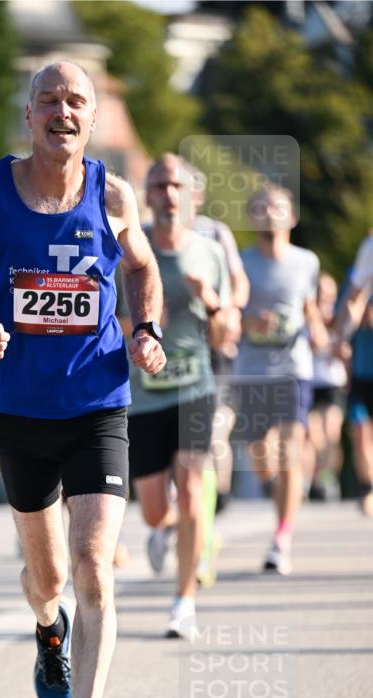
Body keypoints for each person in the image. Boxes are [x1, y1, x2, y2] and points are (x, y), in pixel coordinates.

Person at [0, 62, 165, 698]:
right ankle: (47, 630)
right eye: (48, 100)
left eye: (75, 102)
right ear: (27, 116)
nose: (61, 111)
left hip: (98, 402)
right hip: (19, 409)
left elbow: (142, 268)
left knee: (94, 563)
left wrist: (146, 328)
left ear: (91, 118)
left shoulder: (114, 193)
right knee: (49, 579)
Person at [127, 154, 231, 638]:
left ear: (192, 196)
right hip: (144, 397)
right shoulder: (130, 251)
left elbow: (226, 334)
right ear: (146, 197)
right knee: (152, 509)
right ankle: (168, 529)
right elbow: (113, 324)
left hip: (195, 390)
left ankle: (184, 601)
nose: (168, 194)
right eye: (159, 185)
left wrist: (210, 301)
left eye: (176, 185)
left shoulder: (209, 252)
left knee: (192, 491)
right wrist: (145, 328)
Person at [232, 185, 328, 575]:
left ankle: (281, 538)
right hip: (250, 370)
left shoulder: (307, 261)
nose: (269, 213)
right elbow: (226, 312)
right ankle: (274, 486)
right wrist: (247, 321)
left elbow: (309, 308)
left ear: (292, 217)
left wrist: (321, 332)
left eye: (278, 208)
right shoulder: (240, 262)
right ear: (252, 216)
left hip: (294, 368)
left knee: (290, 451)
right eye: (261, 208)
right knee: (260, 454)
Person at [188, 166, 249, 585]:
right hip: (171, 355)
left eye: (184, 190)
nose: (173, 198)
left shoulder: (214, 233)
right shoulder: (148, 230)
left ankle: (207, 532)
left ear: (199, 196)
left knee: (211, 441)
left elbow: (239, 283)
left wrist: (228, 312)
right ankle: (182, 524)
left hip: (214, 351)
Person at [335, 232, 373, 516]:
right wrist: (343, 337)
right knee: (360, 431)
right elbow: (346, 314)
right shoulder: (359, 279)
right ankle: (368, 486)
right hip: (361, 371)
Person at [305, 273, 347, 501]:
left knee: (331, 432)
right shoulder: (307, 317)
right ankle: (314, 479)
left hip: (333, 382)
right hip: (311, 381)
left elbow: (346, 348)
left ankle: (328, 477)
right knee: (314, 436)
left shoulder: (339, 317)